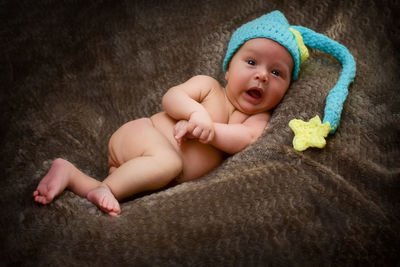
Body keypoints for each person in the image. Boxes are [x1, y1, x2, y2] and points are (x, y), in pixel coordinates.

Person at [33, 11, 356, 216]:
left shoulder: (254, 119)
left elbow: (247, 139)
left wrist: (213, 132)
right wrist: (197, 113)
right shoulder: (208, 87)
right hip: (141, 135)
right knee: (169, 161)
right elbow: (171, 97)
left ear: (286, 89)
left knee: (154, 171)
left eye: (277, 73)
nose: (261, 76)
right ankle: (108, 189)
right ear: (228, 70)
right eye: (252, 62)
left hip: (146, 170)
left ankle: (72, 175)